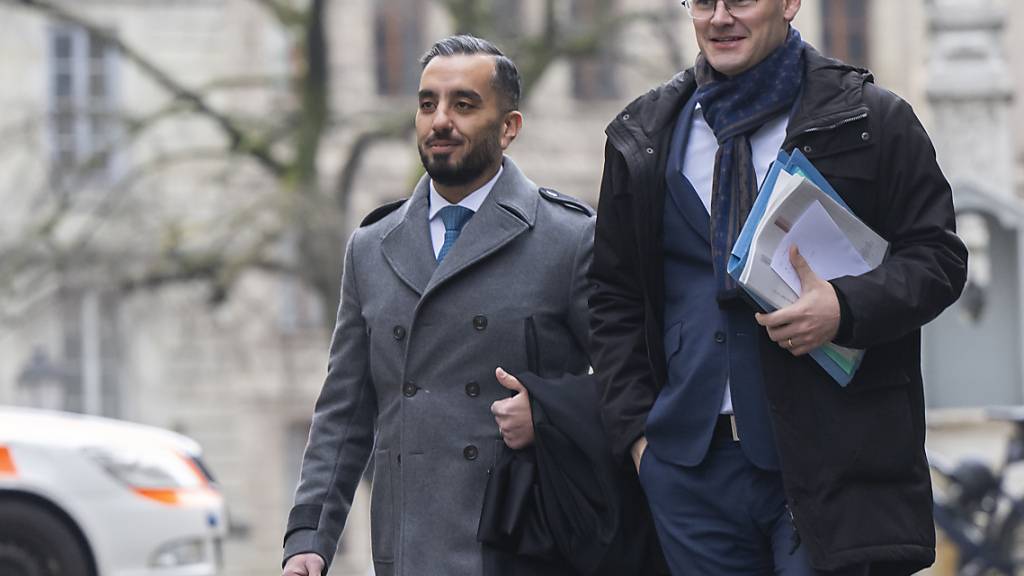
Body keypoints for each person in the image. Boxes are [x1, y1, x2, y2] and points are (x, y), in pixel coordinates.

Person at [588, 1, 968, 575]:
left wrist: (845, 306)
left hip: (828, 461)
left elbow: (938, 257)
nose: (719, 17)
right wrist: (641, 442)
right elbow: (613, 296)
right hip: (690, 469)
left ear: (790, 3)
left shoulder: (871, 118)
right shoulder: (642, 134)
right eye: (702, 2)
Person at [281, 35, 594, 576]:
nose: (440, 120)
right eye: (428, 104)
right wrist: (310, 537)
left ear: (509, 127)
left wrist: (548, 411)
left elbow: (631, 384)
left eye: (464, 105)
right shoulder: (372, 248)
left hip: (523, 546)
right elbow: (344, 411)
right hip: (409, 549)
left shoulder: (567, 238)